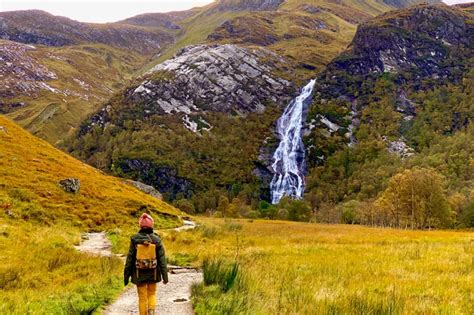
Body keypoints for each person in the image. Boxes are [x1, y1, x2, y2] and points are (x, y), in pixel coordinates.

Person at [124, 213, 168, 315]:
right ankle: (151, 311)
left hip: (139, 275)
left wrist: (126, 277)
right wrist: (165, 277)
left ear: (140, 225)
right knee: (152, 294)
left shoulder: (134, 240)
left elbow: (130, 259)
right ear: (151, 225)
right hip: (154, 274)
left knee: (142, 298)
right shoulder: (157, 240)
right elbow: (162, 260)